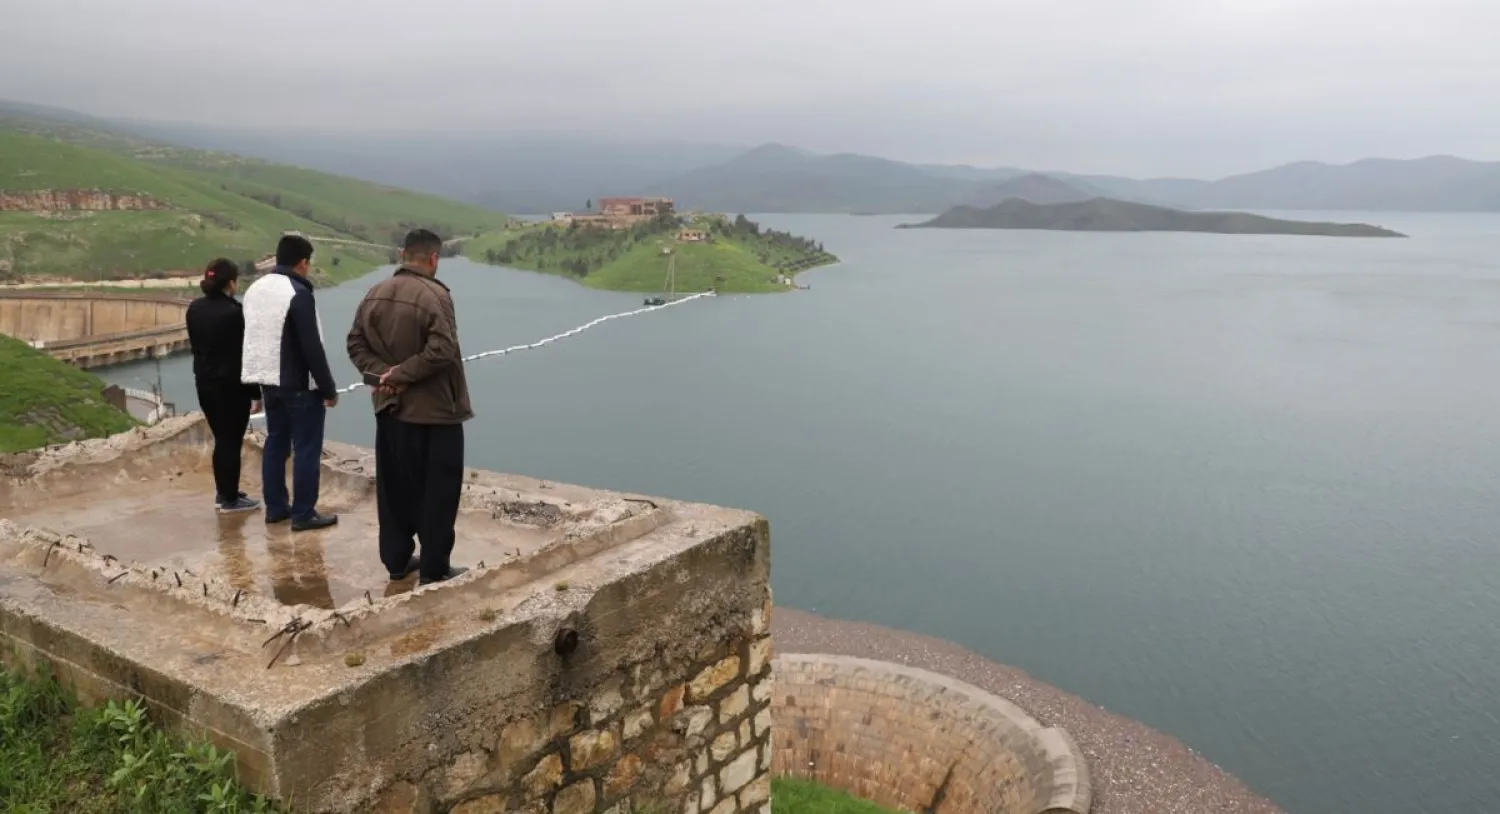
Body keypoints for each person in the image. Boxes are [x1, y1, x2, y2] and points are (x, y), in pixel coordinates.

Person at [346, 228, 473, 585]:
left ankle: (397, 561)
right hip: (435, 414)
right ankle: (434, 571)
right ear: (433, 259)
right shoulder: (435, 295)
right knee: (439, 492)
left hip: (389, 409)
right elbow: (443, 349)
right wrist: (401, 374)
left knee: (395, 489)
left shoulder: (374, 293)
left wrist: (382, 375)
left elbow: (354, 343)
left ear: (404, 255)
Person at [240, 234, 340, 532]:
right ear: (303, 262)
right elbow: (311, 346)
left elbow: (252, 340)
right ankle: (304, 513)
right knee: (306, 449)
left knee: (275, 444)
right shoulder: (298, 293)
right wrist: (328, 388)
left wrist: (252, 388)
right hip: (298, 385)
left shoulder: (255, 289)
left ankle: (275, 508)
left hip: (268, 383)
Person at [185, 258, 261, 514]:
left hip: (204, 383)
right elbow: (243, 356)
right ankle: (229, 499)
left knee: (222, 439)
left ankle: (225, 491)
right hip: (230, 387)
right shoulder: (234, 313)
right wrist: (255, 393)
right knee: (231, 441)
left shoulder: (194, 308)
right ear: (230, 282)